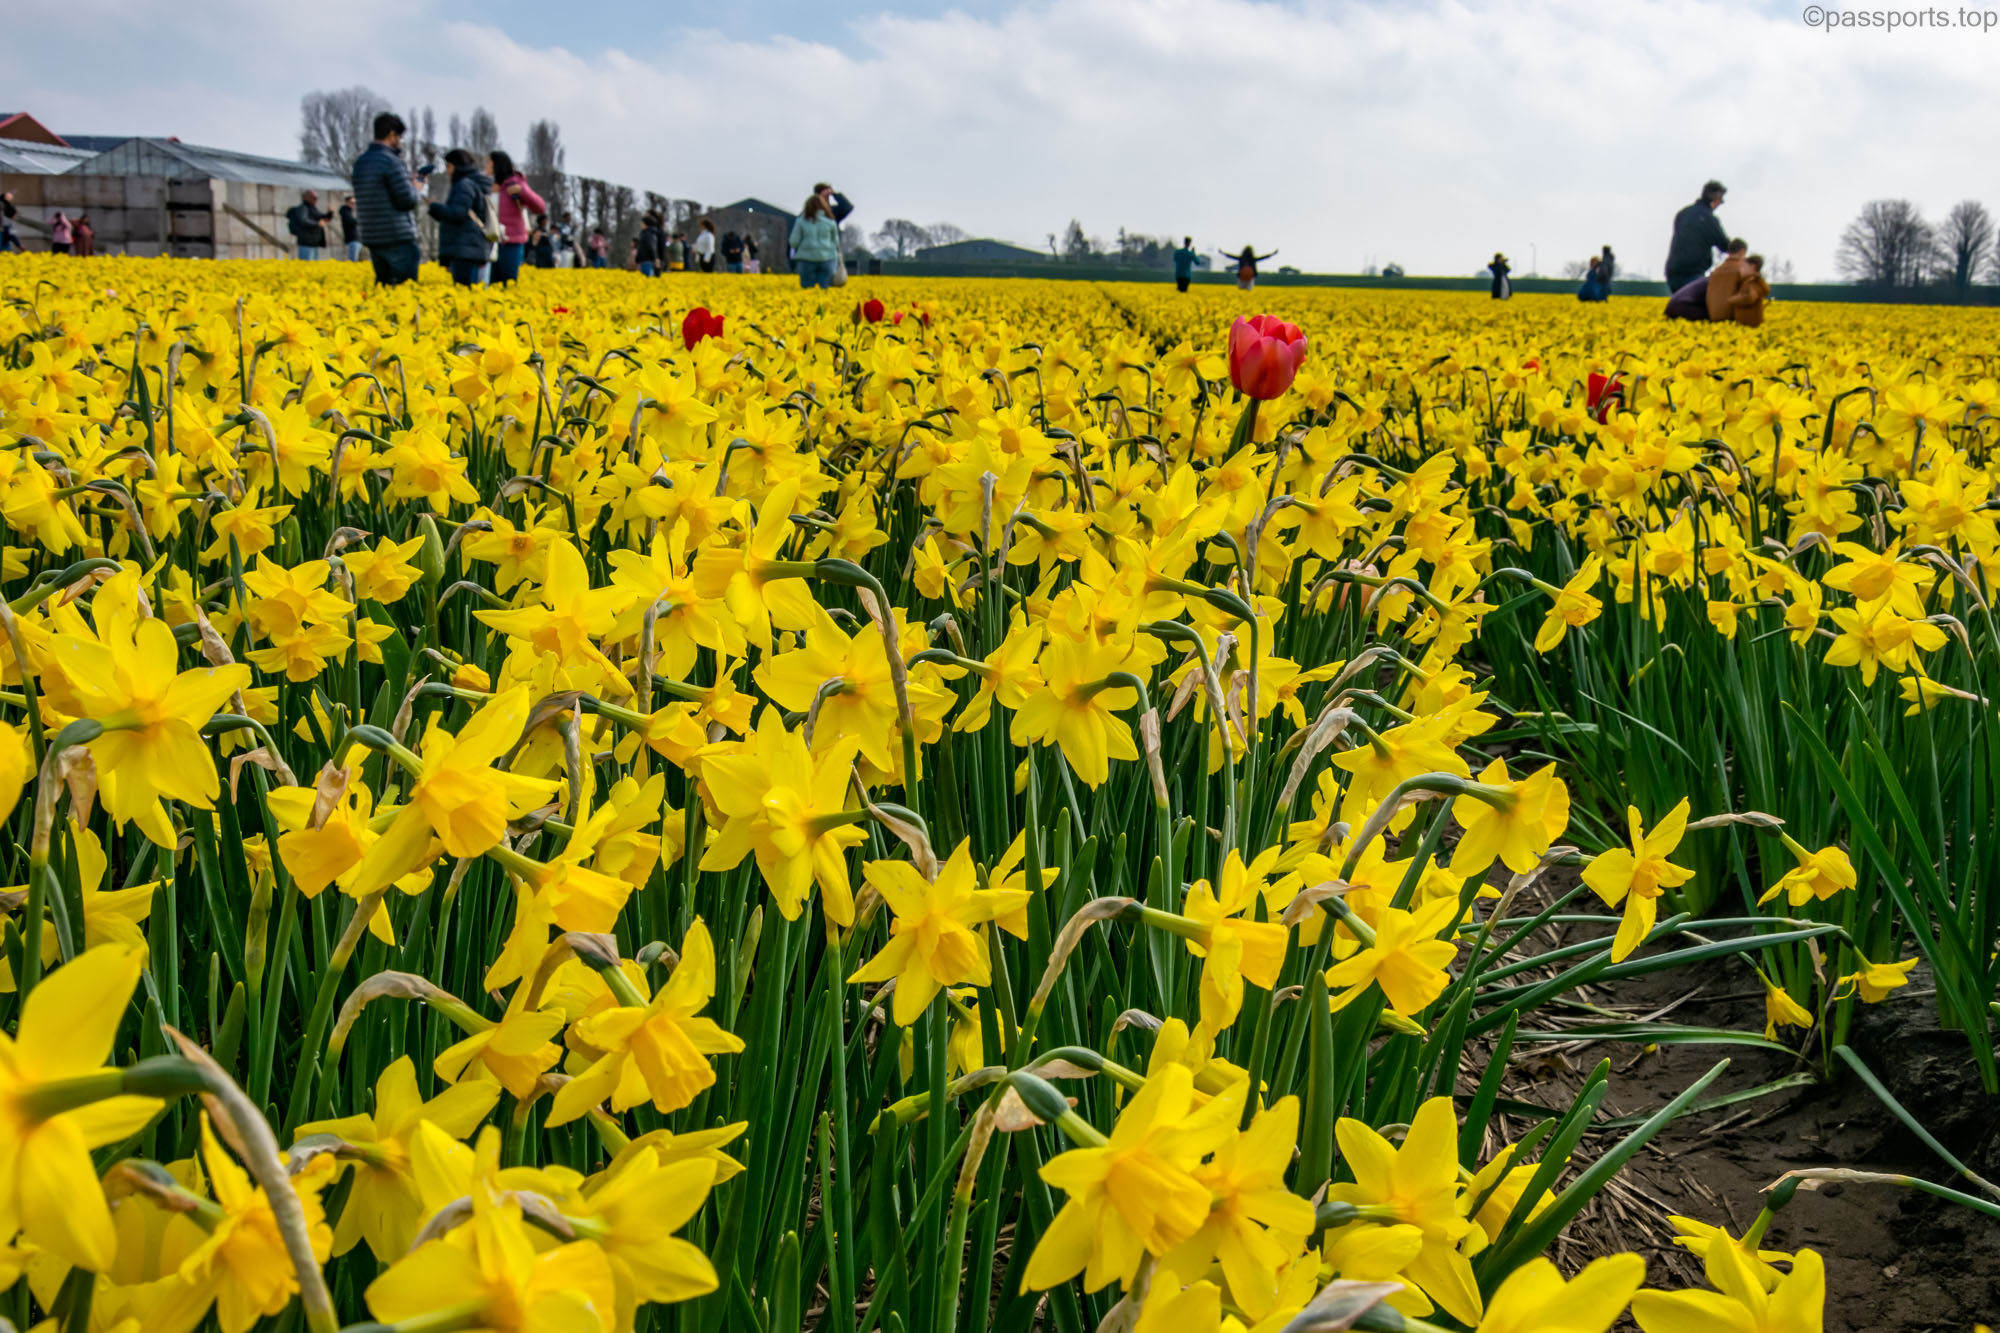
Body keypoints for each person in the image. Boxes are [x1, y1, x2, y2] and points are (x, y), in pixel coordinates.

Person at [351, 112, 423, 286]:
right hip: (397, 236)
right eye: (400, 137)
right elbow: (406, 200)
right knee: (406, 292)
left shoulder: (361, 162)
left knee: (384, 291)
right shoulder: (391, 161)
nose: (400, 142)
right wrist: (416, 188)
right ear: (391, 134)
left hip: (373, 237)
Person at [428, 148, 492, 287]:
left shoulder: (464, 184)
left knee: (464, 289)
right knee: (472, 289)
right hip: (472, 246)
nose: (447, 171)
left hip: (464, 248)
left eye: (448, 166)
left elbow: (458, 214)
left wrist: (434, 207)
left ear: (457, 166)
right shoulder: (474, 182)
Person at [486, 150, 546, 285]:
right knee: (492, 284)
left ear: (497, 165)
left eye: (489, 162)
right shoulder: (489, 184)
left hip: (511, 240)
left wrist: (521, 191)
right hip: (491, 240)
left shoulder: (514, 183)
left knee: (508, 282)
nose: (486, 165)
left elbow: (540, 207)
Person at [1666, 180, 1729, 295]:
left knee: (1682, 303)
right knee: (1701, 303)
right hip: (1692, 272)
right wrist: (1740, 250)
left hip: (1672, 270)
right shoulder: (1708, 218)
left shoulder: (1683, 213)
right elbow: (1724, 245)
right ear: (1716, 199)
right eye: (1721, 201)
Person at [789, 192, 841, 289]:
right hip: (827, 258)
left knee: (807, 289)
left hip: (806, 259)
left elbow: (793, 242)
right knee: (825, 290)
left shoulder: (801, 221)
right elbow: (836, 243)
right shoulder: (830, 222)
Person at [1704, 239, 1750, 321]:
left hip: (1713, 318)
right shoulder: (1743, 270)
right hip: (1733, 319)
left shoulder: (1716, 271)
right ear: (1742, 252)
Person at [286, 190, 331, 260]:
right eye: (314, 198)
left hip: (314, 242)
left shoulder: (312, 208)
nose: (316, 200)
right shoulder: (303, 207)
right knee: (306, 263)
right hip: (306, 242)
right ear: (306, 197)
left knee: (313, 264)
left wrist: (330, 213)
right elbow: (303, 220)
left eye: (316, 198)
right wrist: (317, 223)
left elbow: (323, 218)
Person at [1729, 254, 1770, 327]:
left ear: (1752, 267)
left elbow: (1749, 298)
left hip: (1750, 325)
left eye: (1743, 267)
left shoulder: (1752, 283)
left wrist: (1733, 299)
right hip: (1748, 325)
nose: (1740, 269)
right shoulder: (1749, 282)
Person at [635, 212, 663, 276]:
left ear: (646, 224)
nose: (641, 225)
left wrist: (655, 259)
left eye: (642, 223)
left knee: (647, 278)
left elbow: (651, 247)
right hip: (645, 260)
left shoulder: (647, 234)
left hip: (647, 260)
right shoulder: (647, 233)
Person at [339, 196, 360, 261]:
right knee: (353, 260)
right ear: (347, 202)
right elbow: (353, 221)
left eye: (355, 203)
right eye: (352, 203)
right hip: (352, 238)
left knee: (355, 260)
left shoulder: (350, 211)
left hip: (356, 239)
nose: (353, 204)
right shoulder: (345, 211)